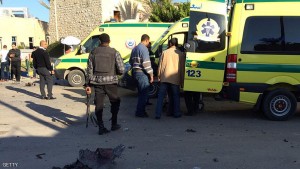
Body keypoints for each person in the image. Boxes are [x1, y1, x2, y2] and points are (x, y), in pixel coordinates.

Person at [85, 33, 125, 135]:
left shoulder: (93, 52)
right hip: (111, 82)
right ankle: (114, 124)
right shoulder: (114, 52)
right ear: (109, 41)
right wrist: (117, 73)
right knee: (115, 102)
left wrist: (87, 84)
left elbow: (89, 69)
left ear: (99, 41)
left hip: (98, 82)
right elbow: (121, 69)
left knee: (99, 105)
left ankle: (101, 127)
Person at [155, 38, 185, 119]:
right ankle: (177, 113)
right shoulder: (181, 54)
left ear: (170, 44)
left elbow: (160, 66)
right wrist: (182, 81)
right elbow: (182, 69)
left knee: (161, 96)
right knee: (175, 96)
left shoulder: (164, 52)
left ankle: (158, 114)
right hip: (175, 79)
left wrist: (159, 76)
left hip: (164, 78)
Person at [129, 34, 153, 117]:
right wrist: (151, 74)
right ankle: (140, 112)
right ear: (146, 40)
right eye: (148, 41)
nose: (148, 43)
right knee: (144, 94)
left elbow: (130, 61)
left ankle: (140, 111)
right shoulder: (144, 49)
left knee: (140, 93)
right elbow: (146, 63)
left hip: (135, 72)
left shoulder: (135, 48)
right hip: (142, 73)